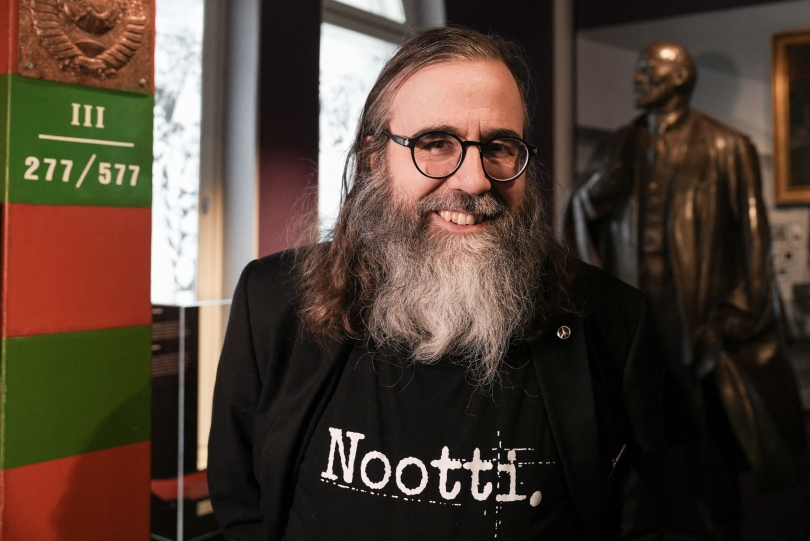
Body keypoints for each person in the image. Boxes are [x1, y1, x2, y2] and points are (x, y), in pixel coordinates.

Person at [208, 27, 671, 540]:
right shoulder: (273, 300)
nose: (474, 179)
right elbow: (241, 502)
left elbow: (654, 522)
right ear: (373, 158)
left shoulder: (613, 324)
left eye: (499, 146)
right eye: (435, 143)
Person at [562, 42, 810, 540]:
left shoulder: (726, 146)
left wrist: (737, 316)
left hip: (698, 319)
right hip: (633, 314)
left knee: (706, 452)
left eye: (646, 71)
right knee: (634, 439)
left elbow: (754, 238)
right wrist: (590, 197)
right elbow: (577, 217)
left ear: (679, 79)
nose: (636, 80)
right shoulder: (616, 146)